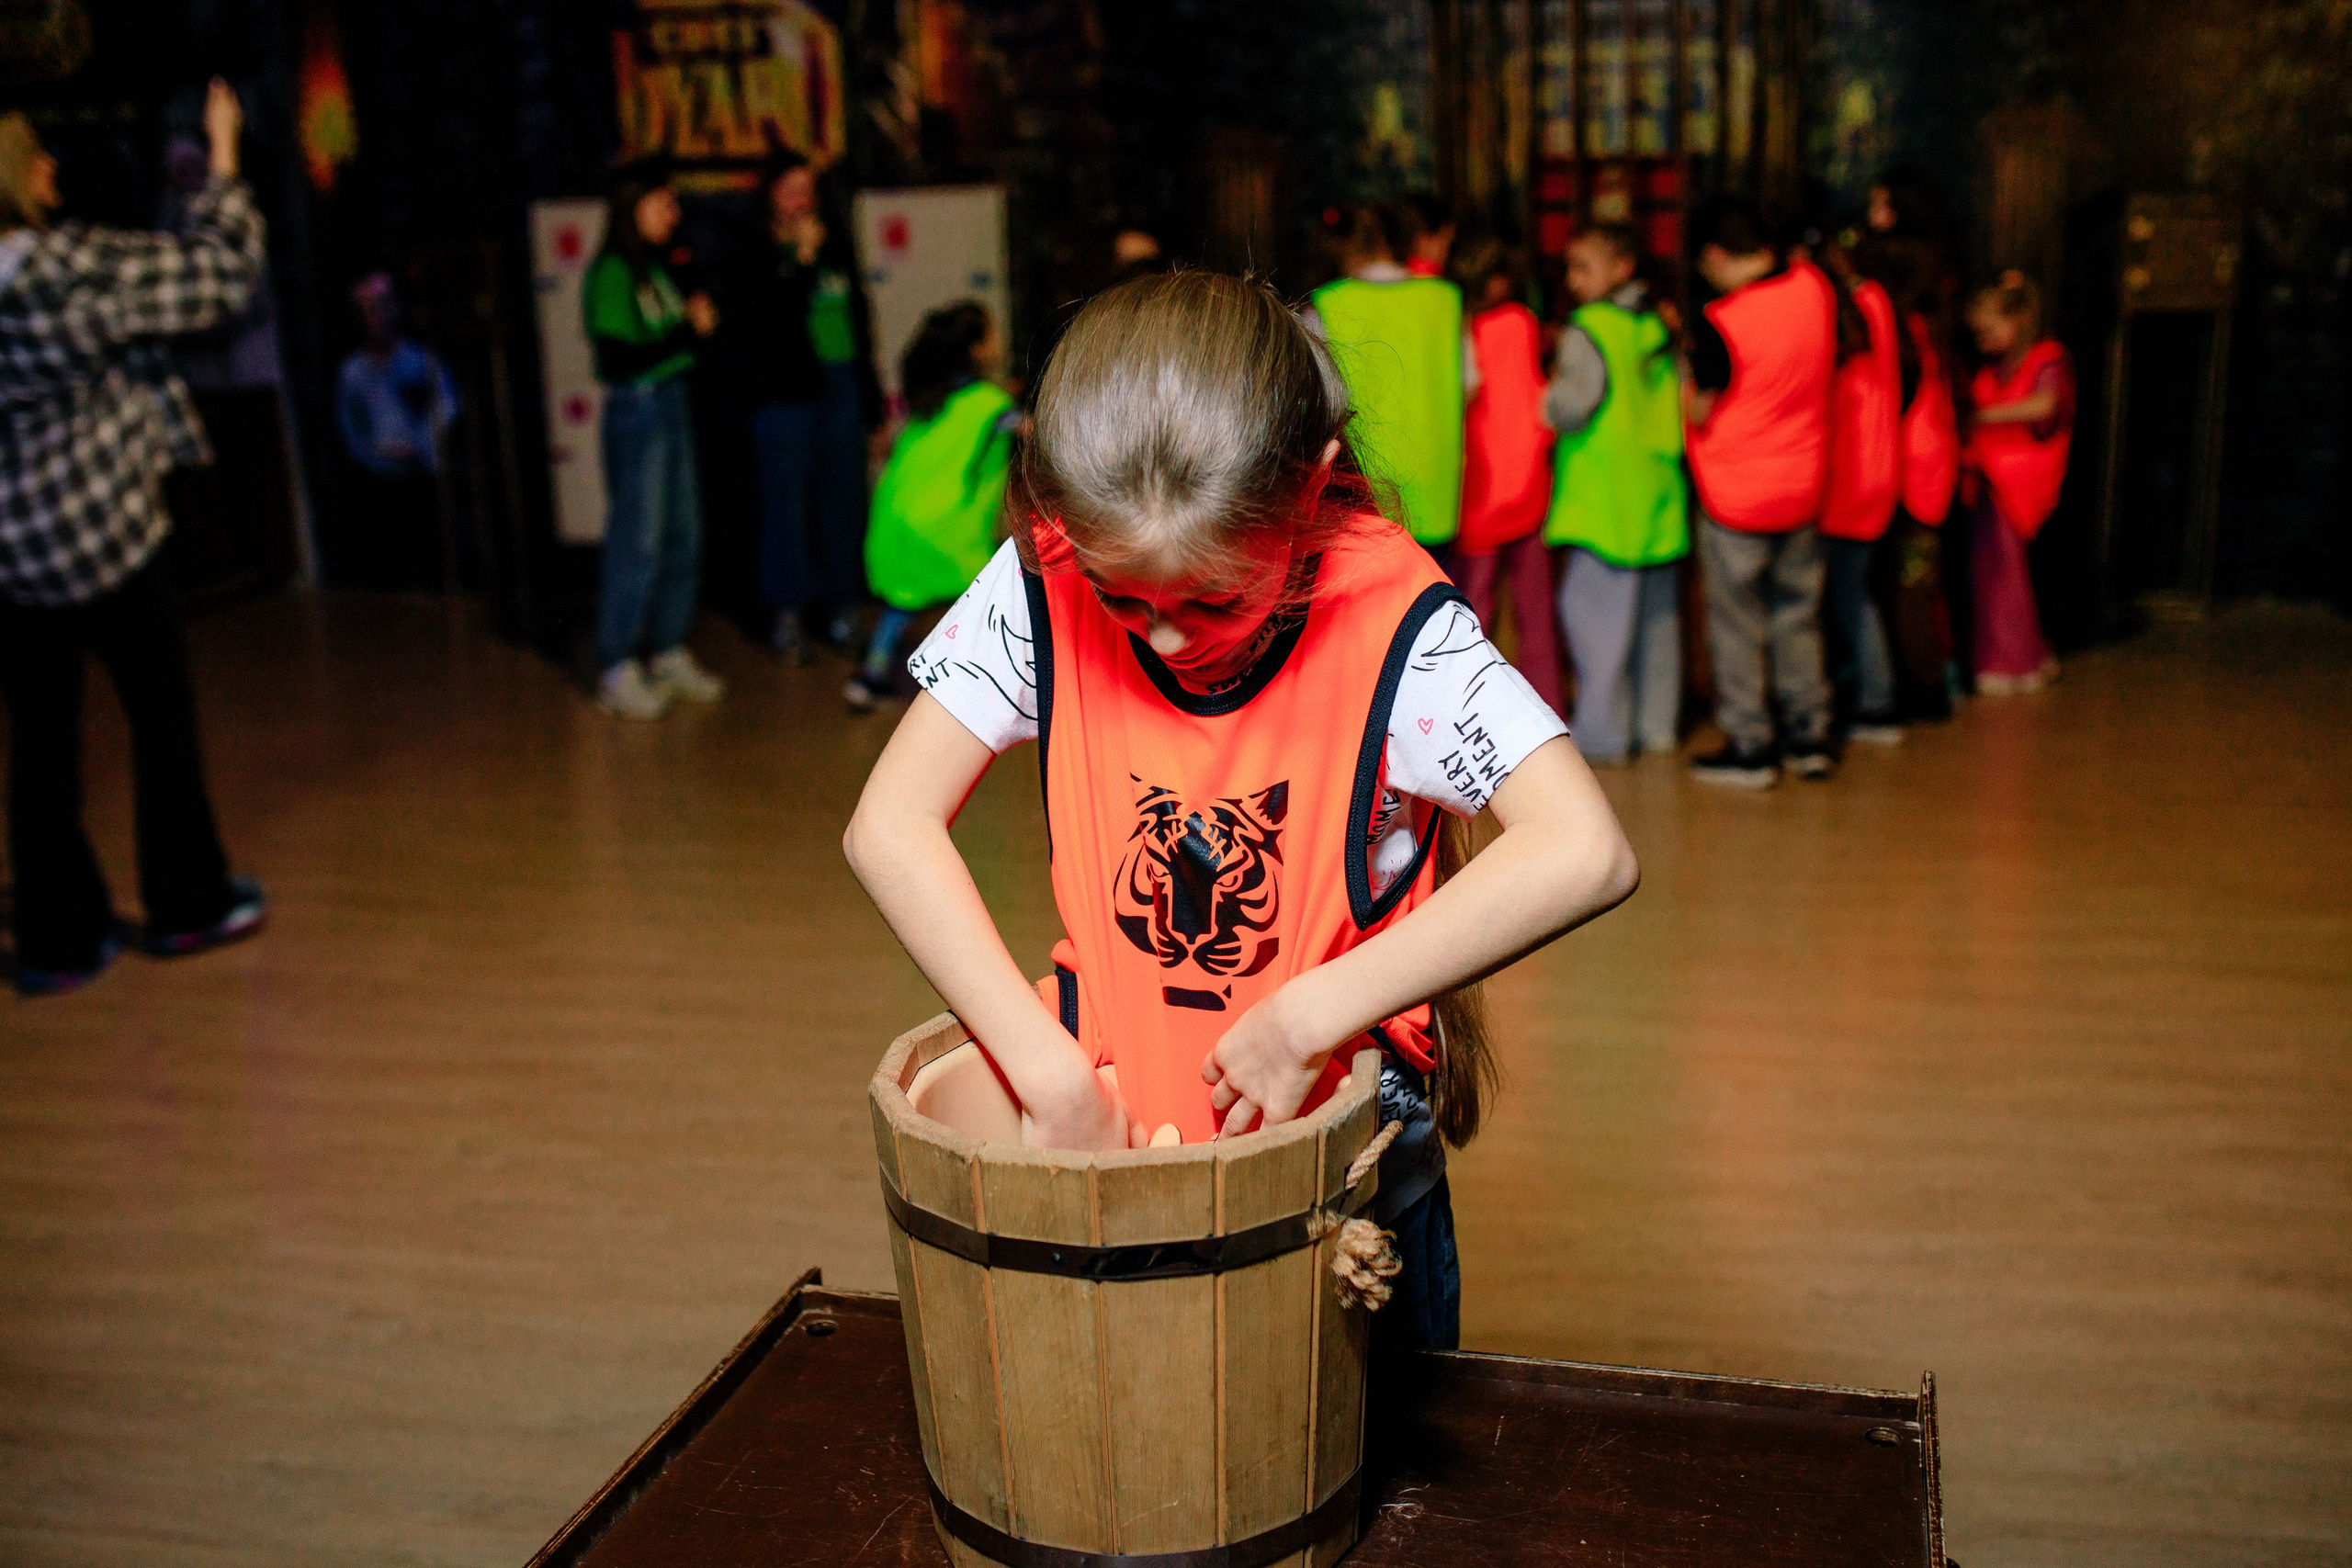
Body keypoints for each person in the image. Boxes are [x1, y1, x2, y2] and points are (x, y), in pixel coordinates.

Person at [843, 272, 1639, 1349]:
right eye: (1123, 600)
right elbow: (888, 824)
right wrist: (1050, 1074)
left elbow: (1583, 848)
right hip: (1112, 1121)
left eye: (1213, 598)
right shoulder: (1042, 576)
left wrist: (1309, 1016)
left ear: (1309, 489)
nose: (1165, 635)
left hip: (1343, 1150)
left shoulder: (1394, 618)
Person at [0, 82, 268, 996]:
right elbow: (219, 275)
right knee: (160, 722)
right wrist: (222, 151)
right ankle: (189, 904)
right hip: (105, 532)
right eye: (33, 153)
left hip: (14, 555)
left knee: (40, 751)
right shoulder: (69, 276)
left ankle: (58, 940)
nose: (50, 164)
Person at [1680, 195, 1838, 788]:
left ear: (1717, 256)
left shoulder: (1721, 322)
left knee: (1738, 625)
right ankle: (1811, 735)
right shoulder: (1813, 288)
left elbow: (1700, 408)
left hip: (1737, 497)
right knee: (1800, 616)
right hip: (1802, 487)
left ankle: (1752, 744)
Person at [583, 164, 726, 720]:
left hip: (671, 400)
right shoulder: (614, 271)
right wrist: (687, 330)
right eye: (662, 203)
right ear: (634, 207)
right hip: (638, 406)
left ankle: (666, 650)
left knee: (682, 535)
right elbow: (619, 358)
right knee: (638, 539)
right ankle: (616, 663)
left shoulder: (658, 266)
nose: (674, 214)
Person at [1544, 225, 1689, 765]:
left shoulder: (1588, 328)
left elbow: (1573, 404)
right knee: (1658, 631)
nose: (1572, 279)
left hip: (1603, 502)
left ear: (1622, 268)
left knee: (1595, 626)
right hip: (1657, 496)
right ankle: (1658, 730)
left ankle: (1603, 738)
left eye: (1583, 266)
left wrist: (1547, 400)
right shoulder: (1657, 324)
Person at [732, 152, 875, 663]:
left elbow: (858, 319)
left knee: (843, 503)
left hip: (840, 386)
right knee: (786, 509)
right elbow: (763, 324)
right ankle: (787, 615)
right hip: (785, 394)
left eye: (809, 188)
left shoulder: (834, 240)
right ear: (769, 193)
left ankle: (841, 609)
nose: (803, 199)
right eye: (791, 187)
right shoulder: (754, 250)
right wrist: (800, 261)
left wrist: (872, 401)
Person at [844, 300, 1018, 711]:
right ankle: (981, 683)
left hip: (895, 518)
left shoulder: (927, 398)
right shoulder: (992, 403)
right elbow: (1029, 429)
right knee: (988, 603)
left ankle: (869, 676)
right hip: (948, 527)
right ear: (977, 349)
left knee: (902, 604)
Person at [1306, 206, 1465, 555]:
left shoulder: (1327, 304)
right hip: (1435, 487)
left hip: (1358, 488)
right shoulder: (1445, 299)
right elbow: (1471, 383)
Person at [1448, 236, 1561, 715]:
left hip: (1478, 492)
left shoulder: (1458, 327)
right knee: (1537, 615)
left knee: (1473, 614)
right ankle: (1547, 710)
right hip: (1529, 485)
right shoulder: (1524, 323)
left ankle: (1475, 714)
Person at [1962, 271, 2071, 694]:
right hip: (1990, 480)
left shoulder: (2047, 358)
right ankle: (2017, 654)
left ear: (2019, 319)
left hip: (2020, 485)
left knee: (2005, 575)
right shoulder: (1993, 370)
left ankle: (2015, 660)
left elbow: (2046, 404)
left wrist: (1980, 418)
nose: (1983, 340)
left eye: (1990, 330)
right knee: (1992, 574)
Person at [1817, 245, 1905, 744]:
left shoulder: (1838, 334)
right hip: (1878, 474)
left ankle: (1875, 702)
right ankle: (1873, 698)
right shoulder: (1875, 304)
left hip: (1843, 485)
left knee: (1851, 600)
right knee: (1858, 595)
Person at [334, 272, 457, 590]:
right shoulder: (352, 374)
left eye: (380, 307)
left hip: (423, 475)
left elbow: (447, 407)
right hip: (379, 481)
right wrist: (374, 455)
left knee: (434, 558)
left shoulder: (421, 361)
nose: (375, 318)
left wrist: (420, 445)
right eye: (365, 310)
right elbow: (350, 429)